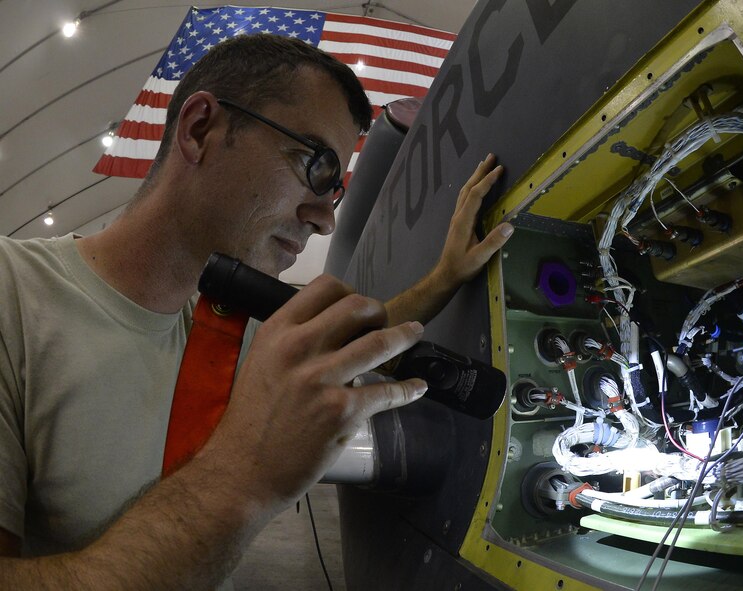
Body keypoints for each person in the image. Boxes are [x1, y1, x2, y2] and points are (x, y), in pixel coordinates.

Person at [0, 34, 513, 588]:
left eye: (335, 192)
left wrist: (445, 275)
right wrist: (246, 477)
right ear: (200, 130)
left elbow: (362, 335)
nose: (325, 219)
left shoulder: (224, 325)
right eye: (315, 165)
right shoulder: (15, 294)